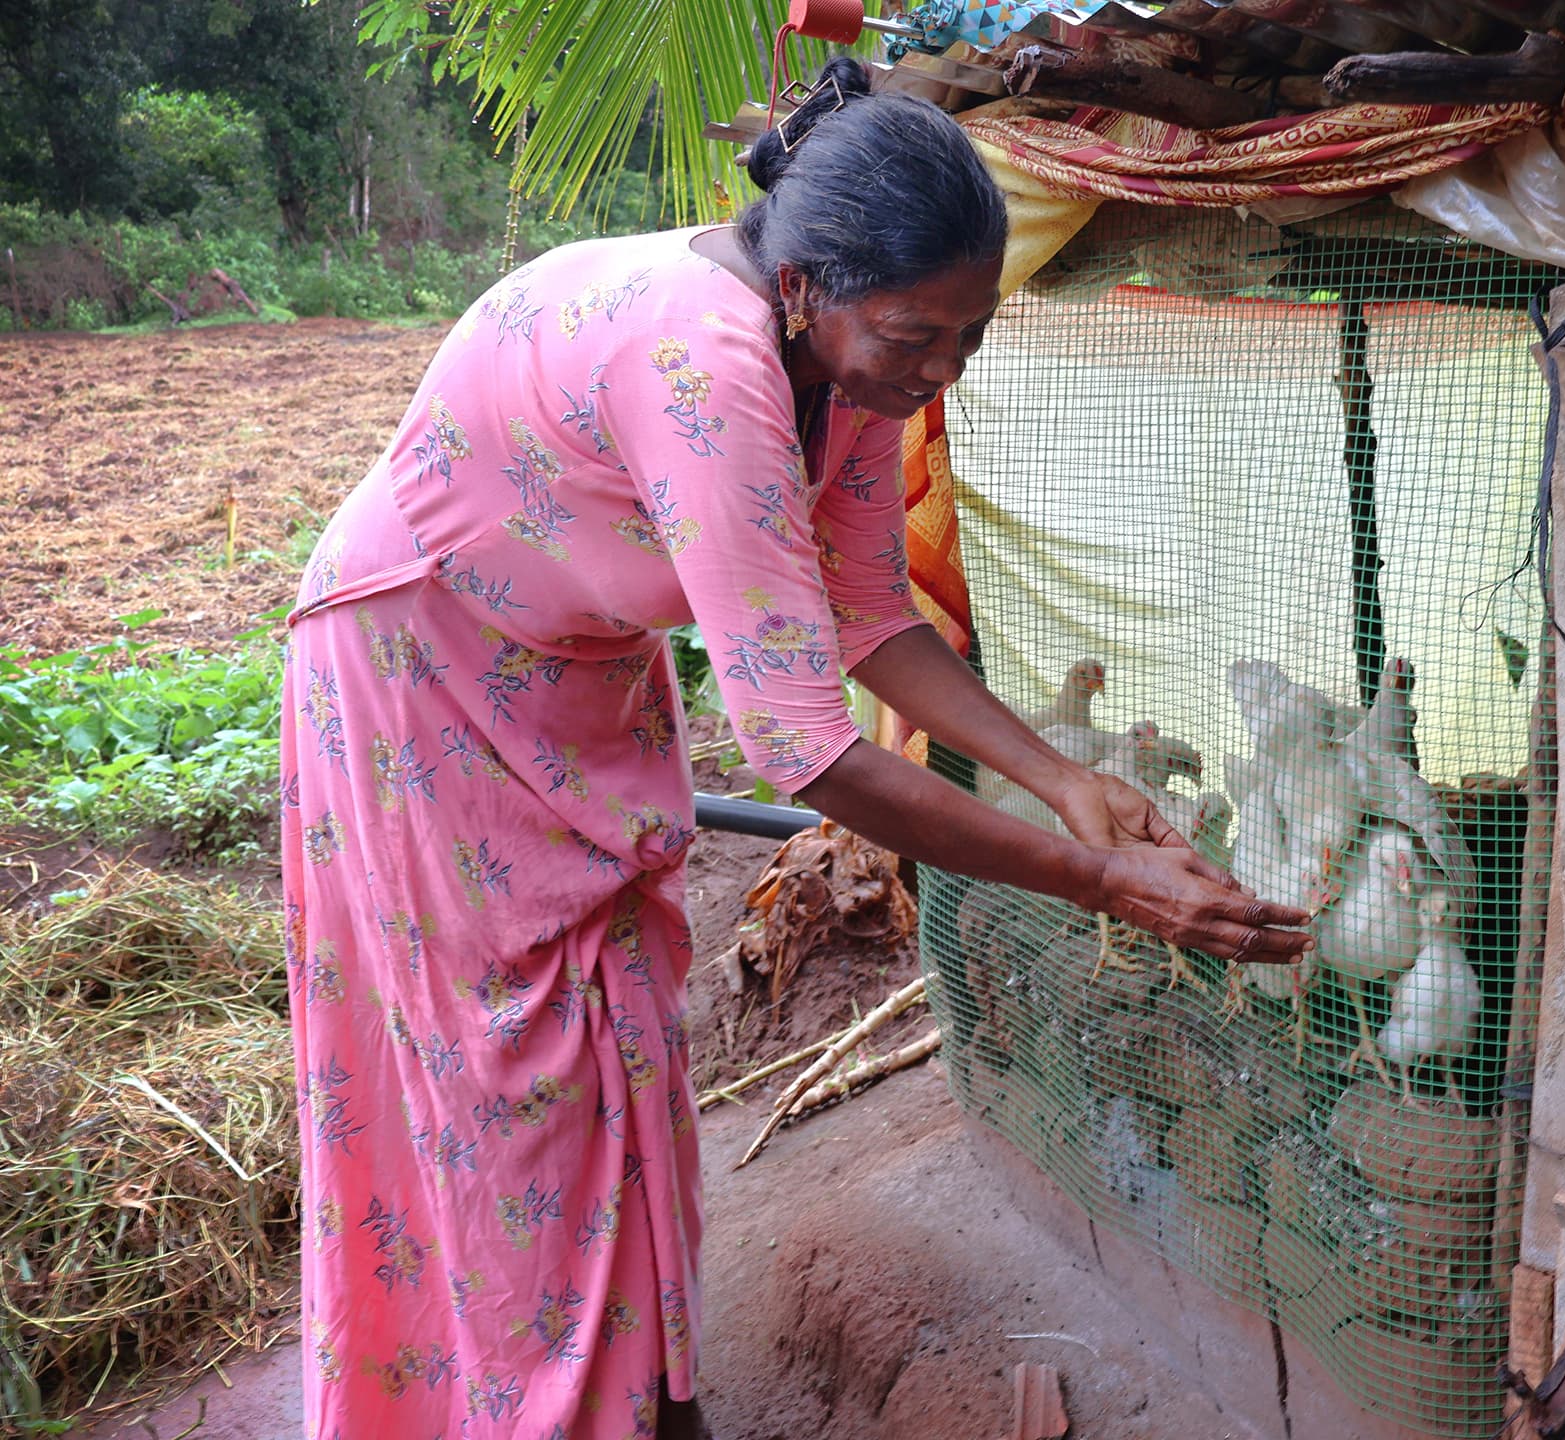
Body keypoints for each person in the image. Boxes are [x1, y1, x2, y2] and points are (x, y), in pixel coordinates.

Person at [279, 56, 1311, 1439]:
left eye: (970, 337)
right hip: (425, 672)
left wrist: (1073, 787)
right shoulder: (703, 366)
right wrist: (1104, 885)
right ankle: (526, 1409)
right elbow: (807, 755)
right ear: (809, 287)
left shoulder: (857, 369)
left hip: (575, 668)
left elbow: (873, 615)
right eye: (918, 336)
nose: (941, 368)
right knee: (513, 1087)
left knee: (619, 1036)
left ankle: (648, 1392)